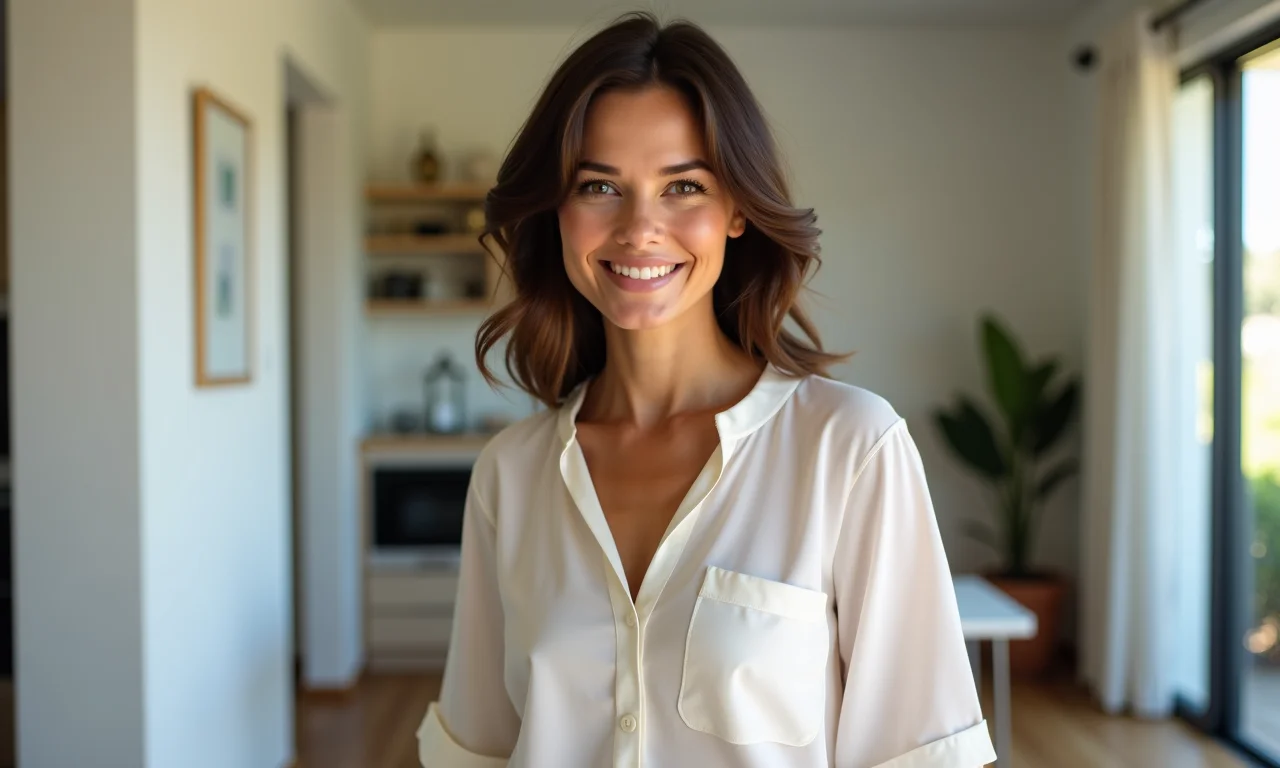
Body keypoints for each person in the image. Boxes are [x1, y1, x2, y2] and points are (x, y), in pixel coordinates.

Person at [416, 11, 996, 768]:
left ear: (737, 212)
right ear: (556, 211)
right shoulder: (510, 474)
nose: (639, 227)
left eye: (683, 186)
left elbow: (925, 756)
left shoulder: (850, 449)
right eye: (599, 185)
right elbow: (480, 752)